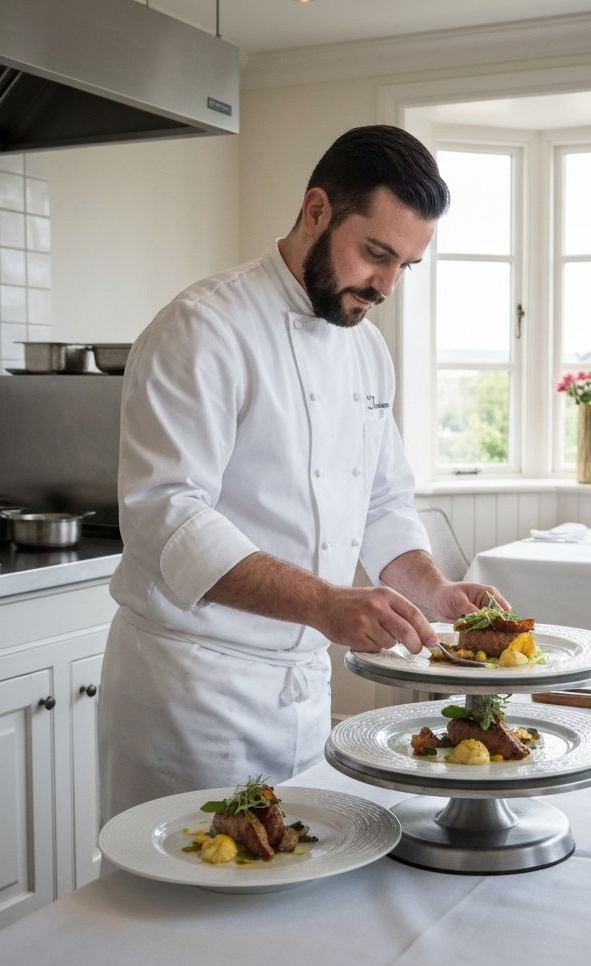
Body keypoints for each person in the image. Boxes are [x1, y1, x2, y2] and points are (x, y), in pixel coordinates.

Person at [98, 124, 508, 822]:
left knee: (295, 914)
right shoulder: (203, 328)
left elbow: (381, 502)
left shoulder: (367, 350)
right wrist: (326, 603)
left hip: (303, 691)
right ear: (316, 210)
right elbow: (167, 516)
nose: (385, 285)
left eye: (406, 265)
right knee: (185, 920)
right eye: (376, 253)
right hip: (196, 694)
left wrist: (433, 591)